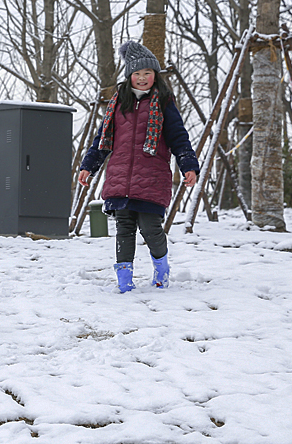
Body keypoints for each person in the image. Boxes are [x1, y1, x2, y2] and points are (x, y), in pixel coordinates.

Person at [78, 40, 200, 293]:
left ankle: (161, 267)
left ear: (155, 75)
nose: (143, 78)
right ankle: (124, 279)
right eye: (137, 73)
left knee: (151, 229)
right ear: (129, 76)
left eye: (148, 73)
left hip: (152, 178)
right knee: (124, 229)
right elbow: (101, 141)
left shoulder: (164, 103)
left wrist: (188, 164)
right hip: (120, 178)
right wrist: (88, 166)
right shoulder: (117, 105)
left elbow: (179, 137)